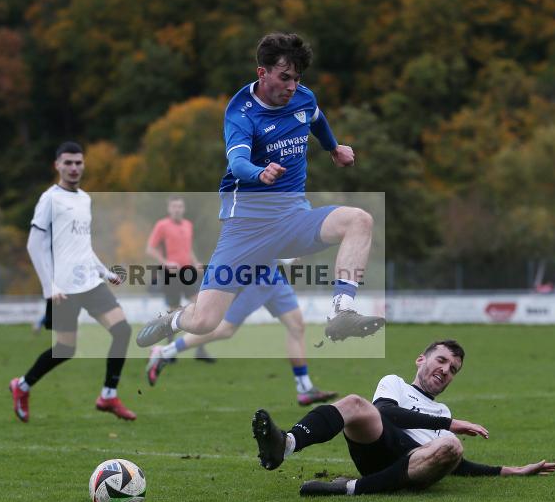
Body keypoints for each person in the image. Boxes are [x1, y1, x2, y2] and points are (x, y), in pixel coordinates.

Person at [136, 32, 384, 348]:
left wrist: (333, 148)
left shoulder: (303, 98)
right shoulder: (241, 113)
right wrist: (259, 172)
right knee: (204, 322)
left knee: (359, 220)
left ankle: (342, 311)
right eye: (284, 77)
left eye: (296, 78)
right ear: (262, 73)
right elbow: (237, 163)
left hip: (292, 219)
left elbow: (316, 119)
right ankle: (170, 320)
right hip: (245, 230)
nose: (292, 86)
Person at [251, 340, 555, 496]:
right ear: (421, 359)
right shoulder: (395, 384)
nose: (445, 370)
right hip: (377, 448)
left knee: (452, 447)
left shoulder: (442, 411)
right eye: (441, 361)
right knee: (357, 403)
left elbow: (455, 464)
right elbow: (385, 414)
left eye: (453, 370)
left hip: (413, 467)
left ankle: (348, 489)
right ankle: (286, 443)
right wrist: (448, 425)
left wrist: (515, 471)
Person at [10, 141, 136, 423]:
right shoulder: (49, 199)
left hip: (90, 282)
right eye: (68, 162)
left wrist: (104, 272)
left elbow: (83, 246)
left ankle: (108, 394)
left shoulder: (85, 199)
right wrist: (49, 286)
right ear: (57, 165)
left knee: (122, 330)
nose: (74, 168)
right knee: (65, 349)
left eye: (78, 162)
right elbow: (34, 244)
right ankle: (22, 386)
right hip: (63, 288)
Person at [145, 272, 337, 406]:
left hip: (274, 278)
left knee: (297, 327)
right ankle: (163, 352)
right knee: (223, 330)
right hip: (255, 278)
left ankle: (305, 387)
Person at [145, 196, 214, 362]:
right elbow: (150, 249)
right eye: (174, 206)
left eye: (180, 206)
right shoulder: (162, 225)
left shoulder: (188, 225)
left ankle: (200, 351)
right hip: (170, 274)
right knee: (173, 311)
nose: (177, 209)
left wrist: (195, 261)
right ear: (169, 209)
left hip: (187, 272)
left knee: (200, 307)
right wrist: (165, 262)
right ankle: (169, 351)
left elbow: (187, 248)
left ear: (183, 209)